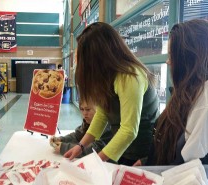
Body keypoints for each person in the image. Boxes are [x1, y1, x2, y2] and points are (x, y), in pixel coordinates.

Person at [64, 22, 159, 165]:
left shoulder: (130, 76)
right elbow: (102, 114)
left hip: (141, 154)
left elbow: (129, 131)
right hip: (124, 149)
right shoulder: (110, 75)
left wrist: (96, 161)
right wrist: (81, 146)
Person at [140, 19, 208, 169]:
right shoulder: (194, 90)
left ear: (188, 59)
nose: (168, 62)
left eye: (172, 55)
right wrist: (147, 162)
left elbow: (189, 165)